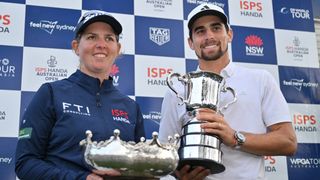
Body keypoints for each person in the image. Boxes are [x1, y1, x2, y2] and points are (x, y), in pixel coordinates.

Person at [159, 3, 297, 180]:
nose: (209, 36)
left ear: (229, 34)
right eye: (200, 31)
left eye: (216, 28)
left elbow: (288, 142)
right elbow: (165, 153)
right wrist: (178, 175)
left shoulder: (260, 79)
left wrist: (235, 138)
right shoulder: (177, 89)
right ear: (191, 43)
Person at [15, 10, 145, 180]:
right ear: (76, 47)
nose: (101, 44)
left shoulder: (130, 107)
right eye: (92, 37)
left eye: (109, 38)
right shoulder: (51, 93)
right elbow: (25, 163)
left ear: (117, 49)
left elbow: (141, 169)